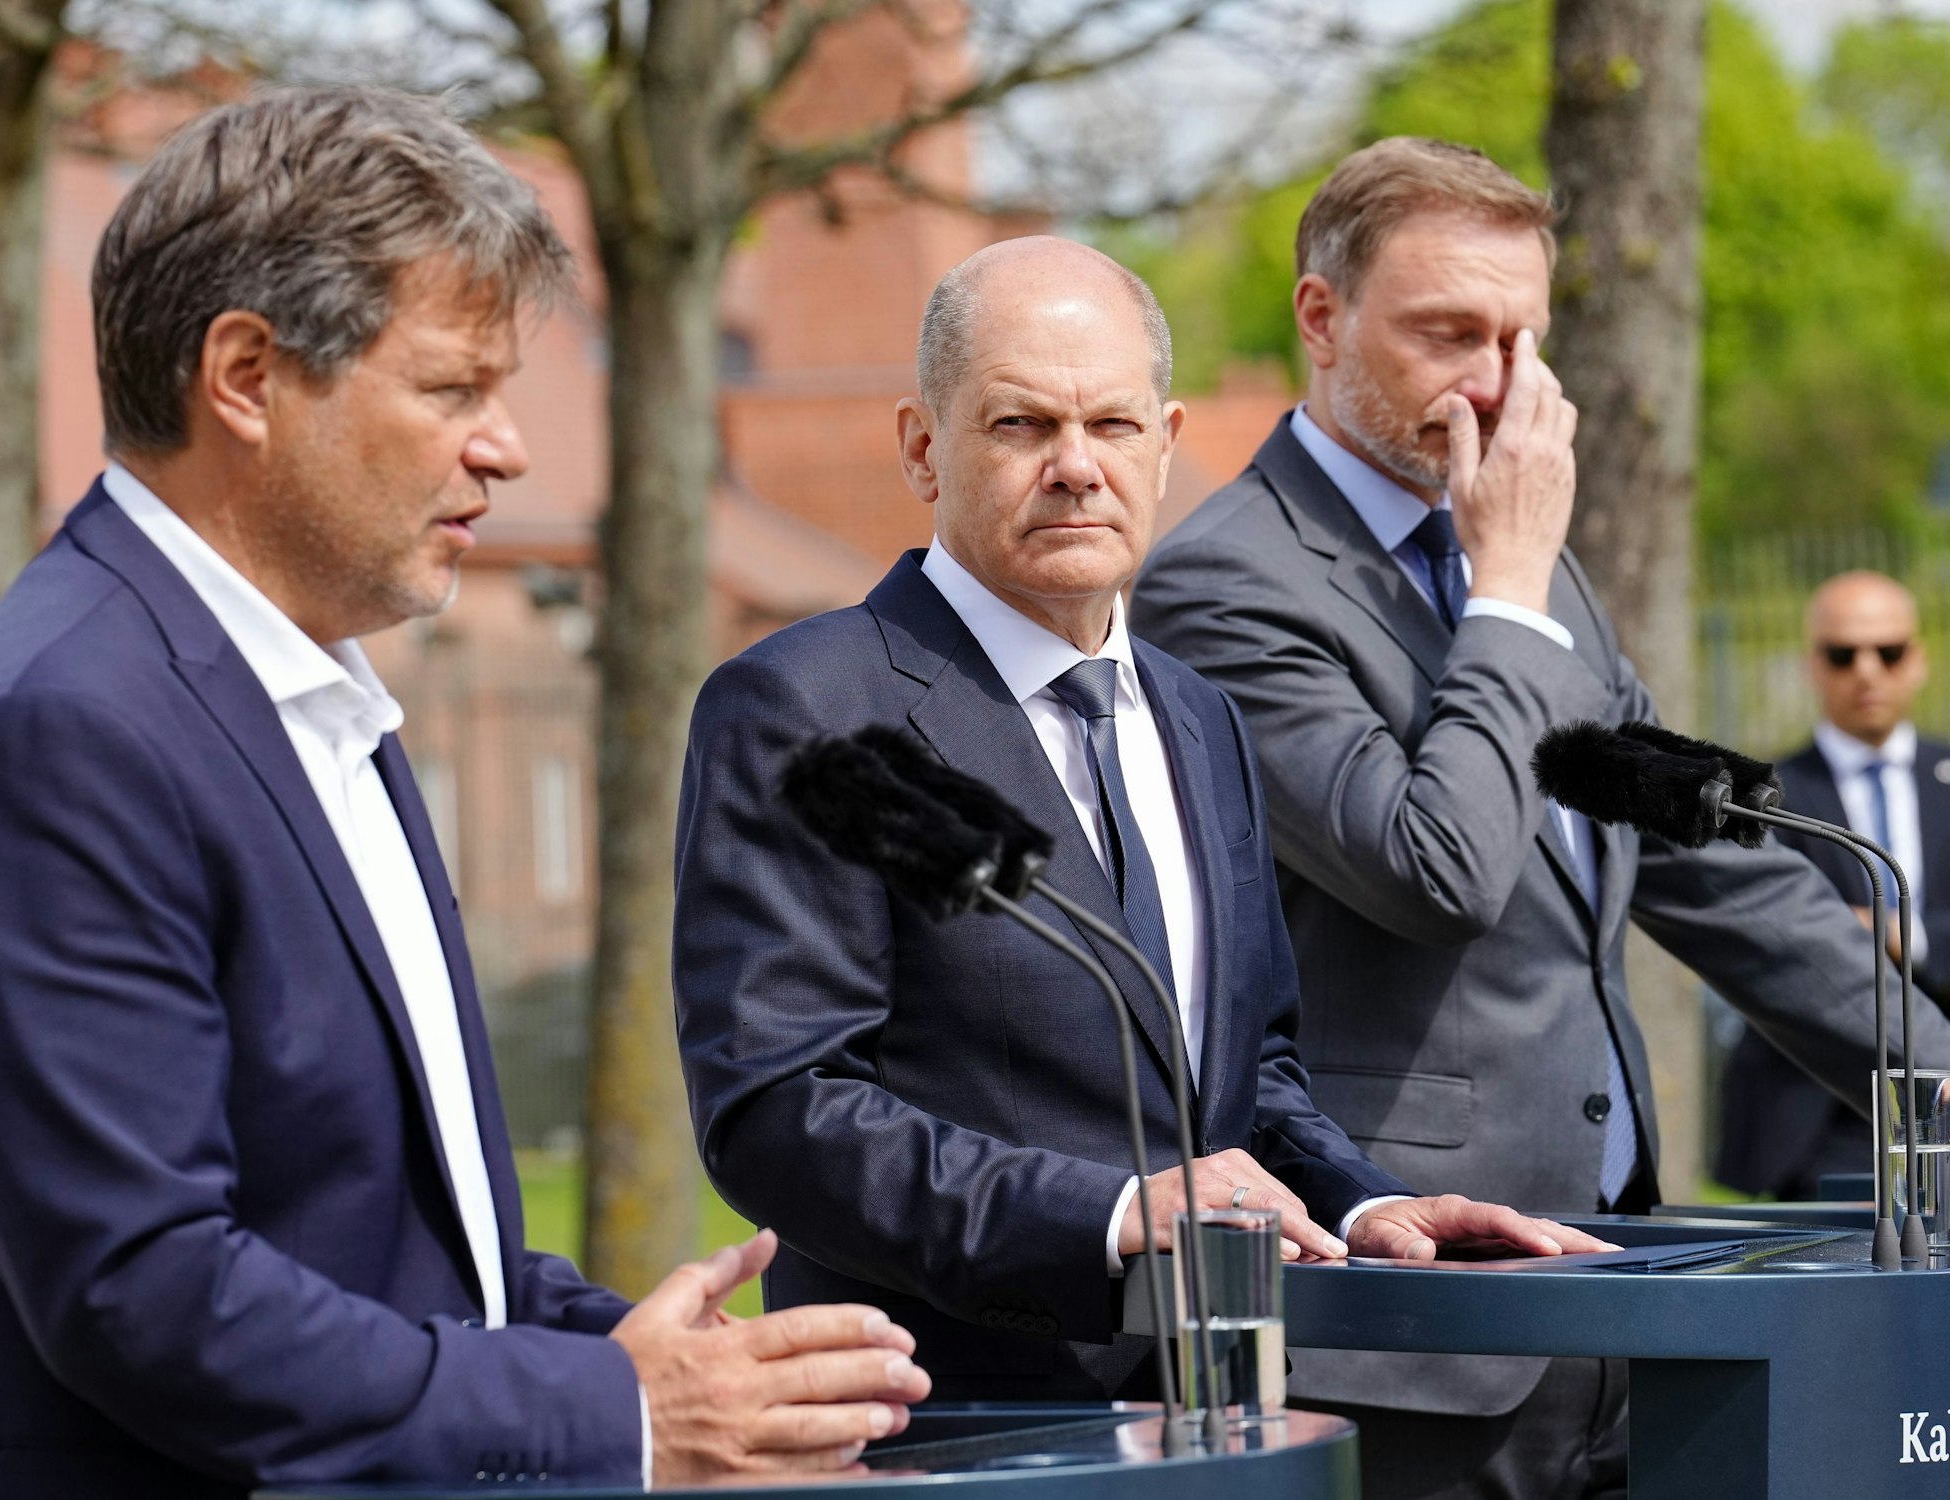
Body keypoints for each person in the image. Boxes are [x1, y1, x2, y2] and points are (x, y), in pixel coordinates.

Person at [0, 87, 929, 1500]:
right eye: (454, 387)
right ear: (245, 376)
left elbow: (397, 1237)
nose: (508, 446)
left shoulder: (316, 692)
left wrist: (676, 1370)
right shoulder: (63, 729)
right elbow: (146, 1294)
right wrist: (616, 1412)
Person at [1128, 136, 1950, 1500]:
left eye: (1524, 337)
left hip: (1618, 1300)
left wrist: (1934, 1067)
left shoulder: (1530, 557)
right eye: (1449, 333)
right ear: (1320, 319)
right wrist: (1506, 588)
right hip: (1406, 1325)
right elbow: (1430, 869)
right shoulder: (1227, 585)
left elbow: (1712, 872)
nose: (1500, 385)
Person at [672, 234, 1615, 1406]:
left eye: (1112, 427)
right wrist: (1112, 1214)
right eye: (1020, 426)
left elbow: (1245, 1079)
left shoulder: (1196, 716)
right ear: (923, 448)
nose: (1075, 467)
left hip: (1219, 1410)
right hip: (951, 1431)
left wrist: (1361, 1201)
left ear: (1165, 448)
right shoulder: (807, 707)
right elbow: (778, 1109)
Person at [1716, 571, 1950, 1200]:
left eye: (1889, 651)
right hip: (1815, 1108)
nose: (1866, 671)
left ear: (1918, 659)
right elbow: (1756, 934)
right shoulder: (1763, 798)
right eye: (1843, 654)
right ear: (1813, 665)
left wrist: (1908, 937)